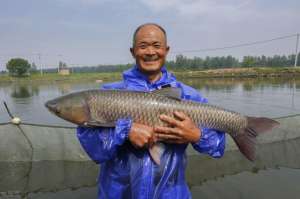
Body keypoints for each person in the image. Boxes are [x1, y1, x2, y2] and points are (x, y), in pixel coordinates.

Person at [77, 23, 226, 199]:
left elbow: (218, 147)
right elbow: (94, 149)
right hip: (118, 194)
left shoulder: (188, 96)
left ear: (166, 50)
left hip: (172, 194)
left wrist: (196, 135)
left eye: (156, 46)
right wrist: (125, 131)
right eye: (143, 46)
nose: (150, 52)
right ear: (133, 52)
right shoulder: (106, 95)